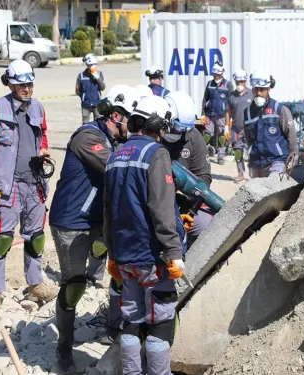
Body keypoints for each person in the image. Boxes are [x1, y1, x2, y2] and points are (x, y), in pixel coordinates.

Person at [50, 84, 139, 375]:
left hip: (97, 222)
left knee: (116, 267)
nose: (134, 124)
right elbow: (117, 167)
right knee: (73, 284)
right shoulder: (88, 137)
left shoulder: (113, 139)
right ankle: (64, 347)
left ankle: (114, 328)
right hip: (72, 222)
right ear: (115, 115)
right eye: (130, 118)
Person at [104, 95, 187, 375]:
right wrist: (174, 252)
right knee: (160, 325)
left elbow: (108, 211)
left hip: (125, 258)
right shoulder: (157, 154)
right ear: (156, 124)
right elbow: (161, 209)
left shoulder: (115, 154)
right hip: (152, 256)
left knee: (132, 319)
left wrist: (113, 255)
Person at [0, 59, 58, 314]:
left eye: (30, 83)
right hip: (6, 184)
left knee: (35, 237)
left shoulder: (39, 108)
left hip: (34, 184)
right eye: (21, 84)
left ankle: (35, 284)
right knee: (1, 239)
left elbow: (43, 133)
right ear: (10, 84)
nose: (27, 88)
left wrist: (43, 148)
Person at [162, 90, 213, 246]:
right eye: (177, 126)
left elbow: (204, 176)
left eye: (185, 129)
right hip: (155, 204)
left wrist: (188, 192)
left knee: (207, 227)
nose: (180, 132)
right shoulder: (152, 135)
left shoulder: (194, 137)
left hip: (184, 203)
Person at [244, 69, 298, 178]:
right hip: (257, 165)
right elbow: (248, 139)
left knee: (273, 192)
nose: (259, 93)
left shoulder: (280, 110)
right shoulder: (248, 112)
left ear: (268, 89)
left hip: (277, 162)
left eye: (262, 89)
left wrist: (293, 161)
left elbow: (291, 136)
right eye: (256, 89)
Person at [201, 61, 233, 165]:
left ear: (222, 73)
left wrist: (230, 118)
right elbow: (205, 98)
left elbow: (231, 102)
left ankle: (221, 156)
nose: (216, 76)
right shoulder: (210, 84)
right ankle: (202, 155)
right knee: (207, 135)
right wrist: (202, 113)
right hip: (210, 114)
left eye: (218, 74)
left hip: (222, 115)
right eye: (214, 74)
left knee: (221, 136)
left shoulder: (228, 85)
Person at [227, 69, 254, 183]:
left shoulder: (252, 94)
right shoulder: (232, 96)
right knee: (238, 152)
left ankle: (254, 174)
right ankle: (241, 174)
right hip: (236, 129)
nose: (239, 84)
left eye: (242, 82)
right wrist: (226, 128)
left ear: (245, 81)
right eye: (237, 82)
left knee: (253, 152)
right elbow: (228, 112)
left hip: (250, 129)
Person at [76, 53, 106, 124]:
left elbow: (103, 87)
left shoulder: (99, 73)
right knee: (85, 124)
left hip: (97, 104)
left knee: (99, 123)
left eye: (93, 64)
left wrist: (97, 77)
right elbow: (77, 90)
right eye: (90, 64)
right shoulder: (81, 76)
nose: (92, 66)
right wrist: (84, 97)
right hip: (86, 105)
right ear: (87, 64)